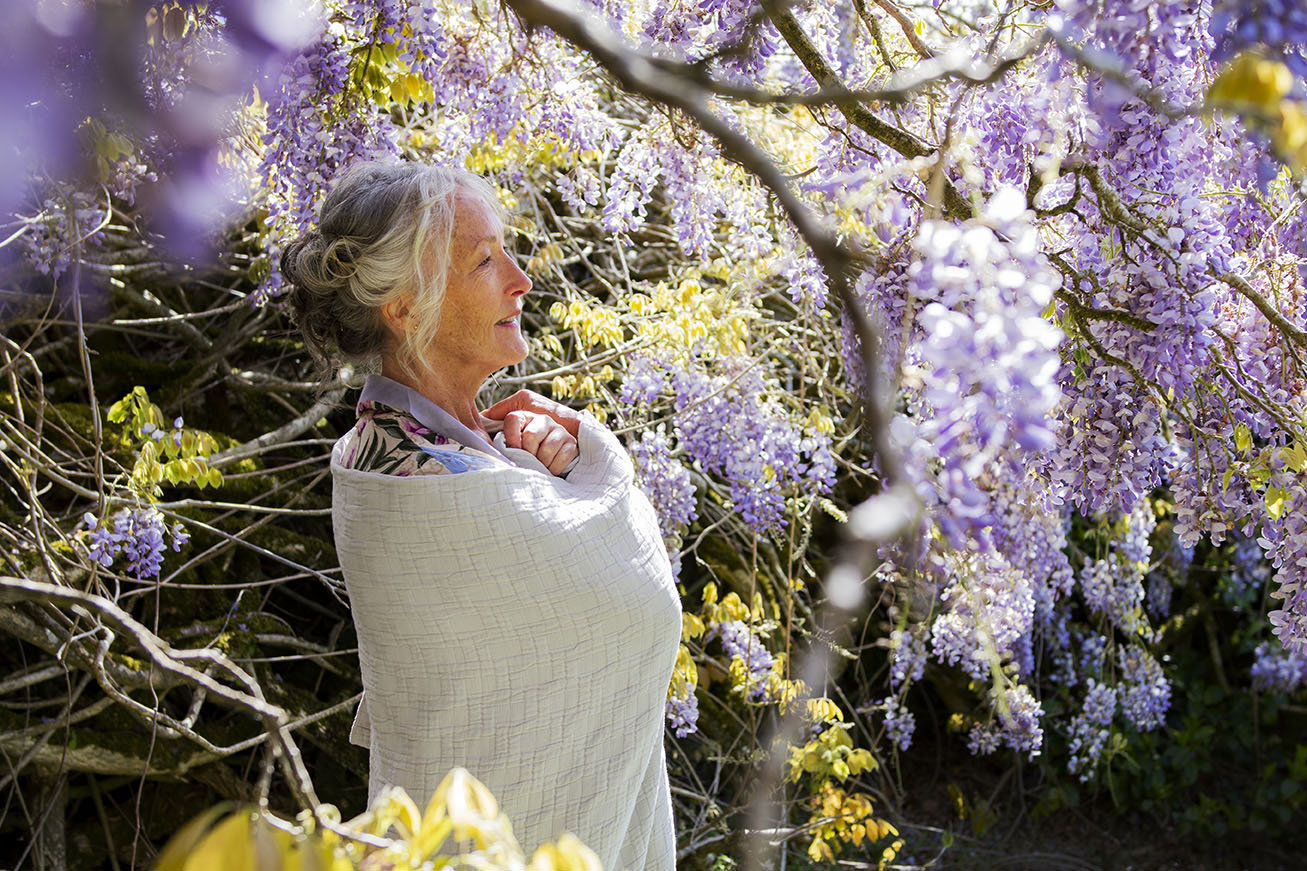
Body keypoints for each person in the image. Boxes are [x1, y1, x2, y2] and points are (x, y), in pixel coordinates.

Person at [280, 161, 681, 871]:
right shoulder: (409, 475)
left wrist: (557, 462)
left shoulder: (458, 447)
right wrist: (595, 459)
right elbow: (634, 594)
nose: (520, 280)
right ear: (403, 305)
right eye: (484, 261)